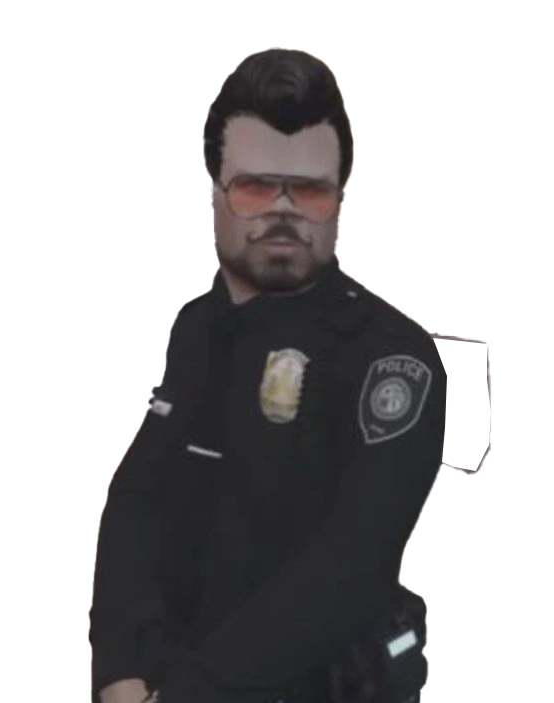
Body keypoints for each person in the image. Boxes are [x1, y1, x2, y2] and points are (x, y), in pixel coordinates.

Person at [87, 47, 446, 703]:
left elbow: (347, 569)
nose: (283, 212)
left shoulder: (388, 358)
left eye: (310, 191)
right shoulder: (199, 327)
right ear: (215, 192)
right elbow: (139, 506)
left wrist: (187, 696)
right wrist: (119, 670)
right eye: (255, 188)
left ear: (341, 198)